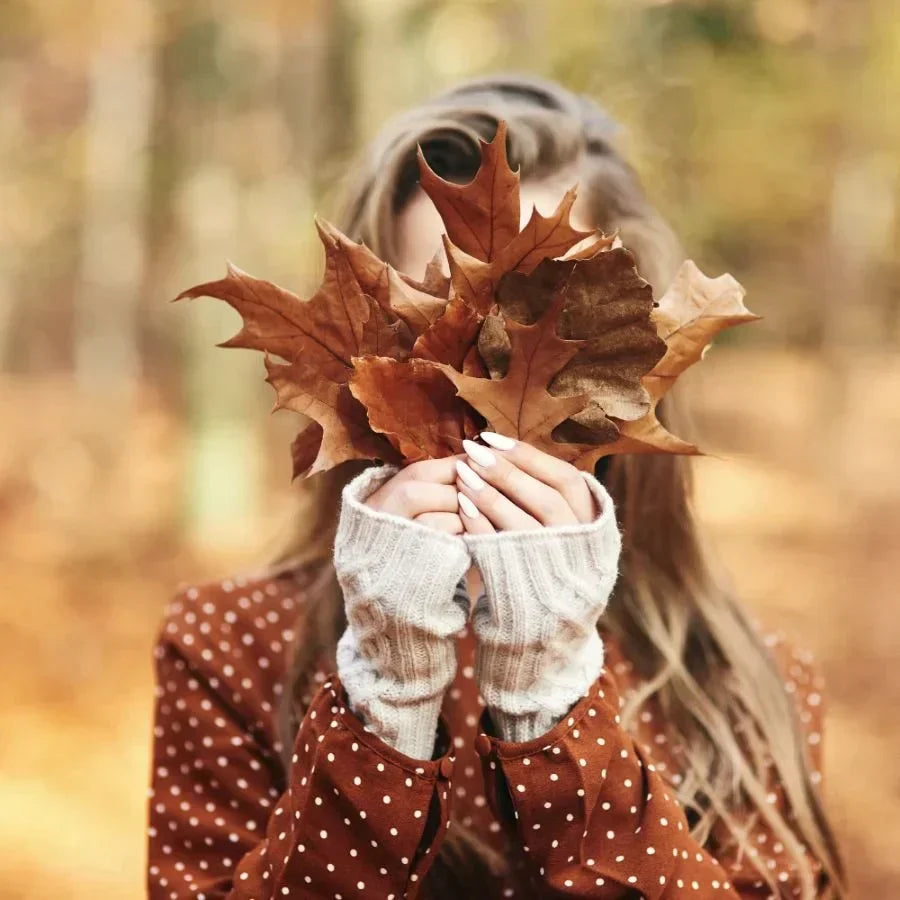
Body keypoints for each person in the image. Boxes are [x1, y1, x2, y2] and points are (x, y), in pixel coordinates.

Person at [146, 74, 845, 899]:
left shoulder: (742, 684)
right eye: (435, 317)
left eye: (550, 322)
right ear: (354, 359)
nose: (486, 376)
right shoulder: (235, 646)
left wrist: (556, 702)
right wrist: (387, 700)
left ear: (639, 358)